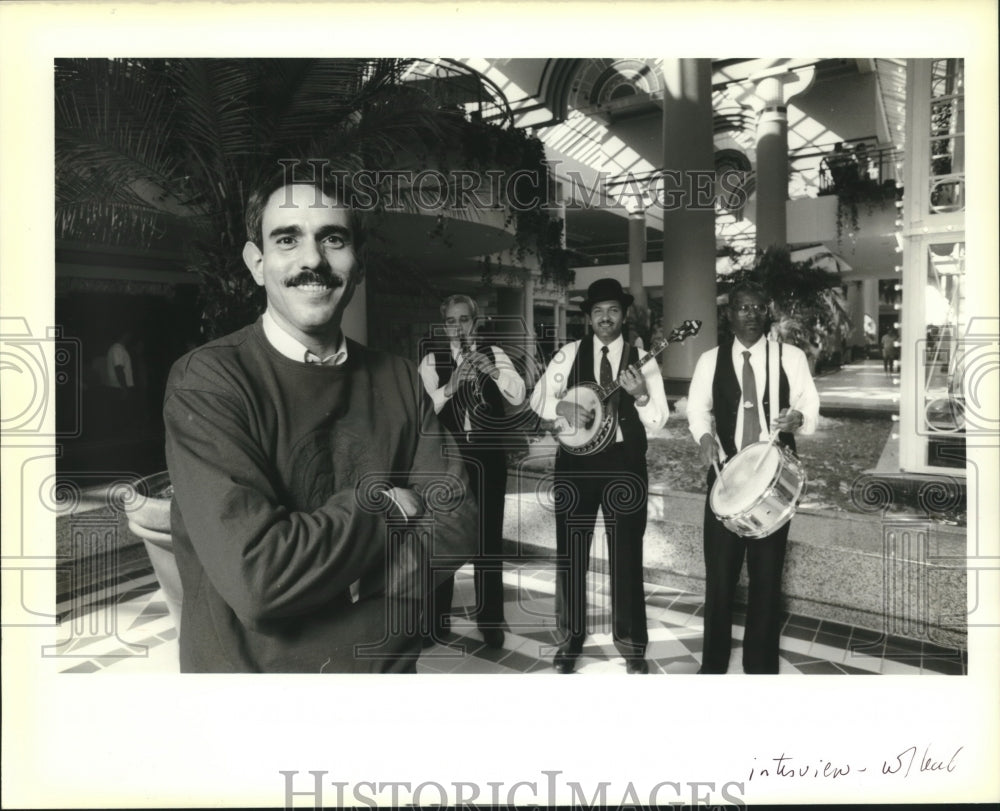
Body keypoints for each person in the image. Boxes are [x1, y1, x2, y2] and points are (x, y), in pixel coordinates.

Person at [163, 171, 476, 673]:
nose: (312, 260)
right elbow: (260, 582)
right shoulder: (210, 380)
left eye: (333, 238)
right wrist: (388, 506)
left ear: (359, 262)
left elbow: (458, 519)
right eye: (287, 239)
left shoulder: (397, 376)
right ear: (257, 263)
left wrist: (336, 579)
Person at [530, 278, 668, 674]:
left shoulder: (644, 358)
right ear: (588, 317)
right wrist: (563, 408)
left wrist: (641, 395)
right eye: (597, 311)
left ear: (624, 315)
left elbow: (658, 420)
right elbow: (536, 399)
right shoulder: (568, 355)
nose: (605, 318)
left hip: (624, 463)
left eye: (612, 310)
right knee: (571, 552)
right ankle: (571, 639)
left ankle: (630, 644)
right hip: (575, 465)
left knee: (626, 553)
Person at [687, 281, 820, 674]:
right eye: (742, 308)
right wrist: (705, 437)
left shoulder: (790, 356)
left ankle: (760, 665)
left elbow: (809, 404)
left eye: (758, 308)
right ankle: (713, 662)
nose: (750, 314)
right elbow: (697, 408)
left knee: (766, 576)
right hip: (726, 477)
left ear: (768, 313)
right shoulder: (710, 360)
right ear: (729, 314)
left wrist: (798, 418)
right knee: (720, 576)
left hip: (773, 479)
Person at [417, 294, 526, 648]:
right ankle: (436, 619)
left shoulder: (495, 354)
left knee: (489, 539)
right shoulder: (433, 359)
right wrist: (451, 386)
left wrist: (492, 371)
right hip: (447, 459)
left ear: (475, 323)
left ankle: (490, 620)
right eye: (452, 320)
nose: (458, 326)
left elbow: (517, 395)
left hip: (489, 457)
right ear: (444, 323)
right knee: (444, 536)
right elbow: (422, 410)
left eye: (464, 319)